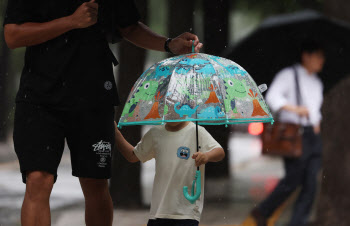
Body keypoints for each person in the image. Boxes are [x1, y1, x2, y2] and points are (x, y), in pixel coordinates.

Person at [3, 0, 203, 225]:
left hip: (94, 96)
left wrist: (168, 44)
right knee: (38, 180)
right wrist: (71, 22)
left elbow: (129, 27)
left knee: (95, 182)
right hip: (40, 98)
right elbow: (13, 35)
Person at [251, 40, 324, 226]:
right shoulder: (289, 75)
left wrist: (316, 122)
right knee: (293, 179)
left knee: (311, 185)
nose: (321, 61)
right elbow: (273, 96)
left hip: (312, 136)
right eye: (318, 56)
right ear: (306, 56)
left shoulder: (317, 82)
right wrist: (295, 109)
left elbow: (315, 109)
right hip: (294, 135)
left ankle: (297, 222)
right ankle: (263, 211)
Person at [114, 121, 225, 226]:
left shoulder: (197, 132)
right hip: (158, 212)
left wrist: (207, 156)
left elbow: (219, 152)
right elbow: (133, 156)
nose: (172, 111)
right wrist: (116, 133)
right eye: (168, 107)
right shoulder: (155, 134)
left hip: (186, 213)